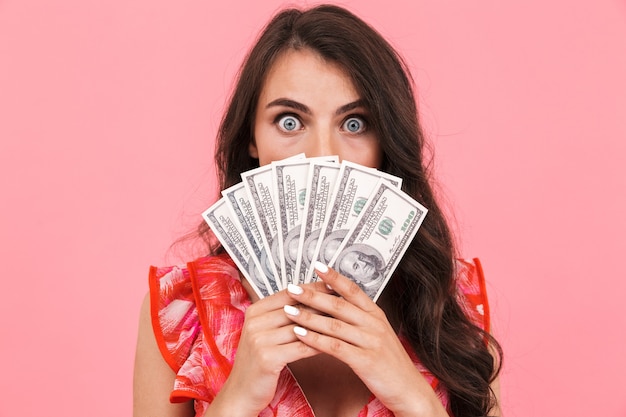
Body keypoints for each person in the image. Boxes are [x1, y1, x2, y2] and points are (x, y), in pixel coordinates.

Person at [133, 4, 503, 417]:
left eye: (355, 123)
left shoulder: (453, 305)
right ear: (251, 138)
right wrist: (236, 400)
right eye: (290, 122)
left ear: (387, 142)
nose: (323, 156)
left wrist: (415, 400)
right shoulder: (181, 312)